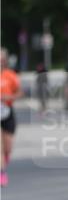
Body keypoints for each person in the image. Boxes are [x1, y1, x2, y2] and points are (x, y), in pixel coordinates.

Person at [1, 48, 23, 187]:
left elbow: (20, 93)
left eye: (2, 60)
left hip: (7, 112)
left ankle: (4, 161)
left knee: (7, 147)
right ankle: (1, 172)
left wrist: (8, 97)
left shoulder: (10, 75)